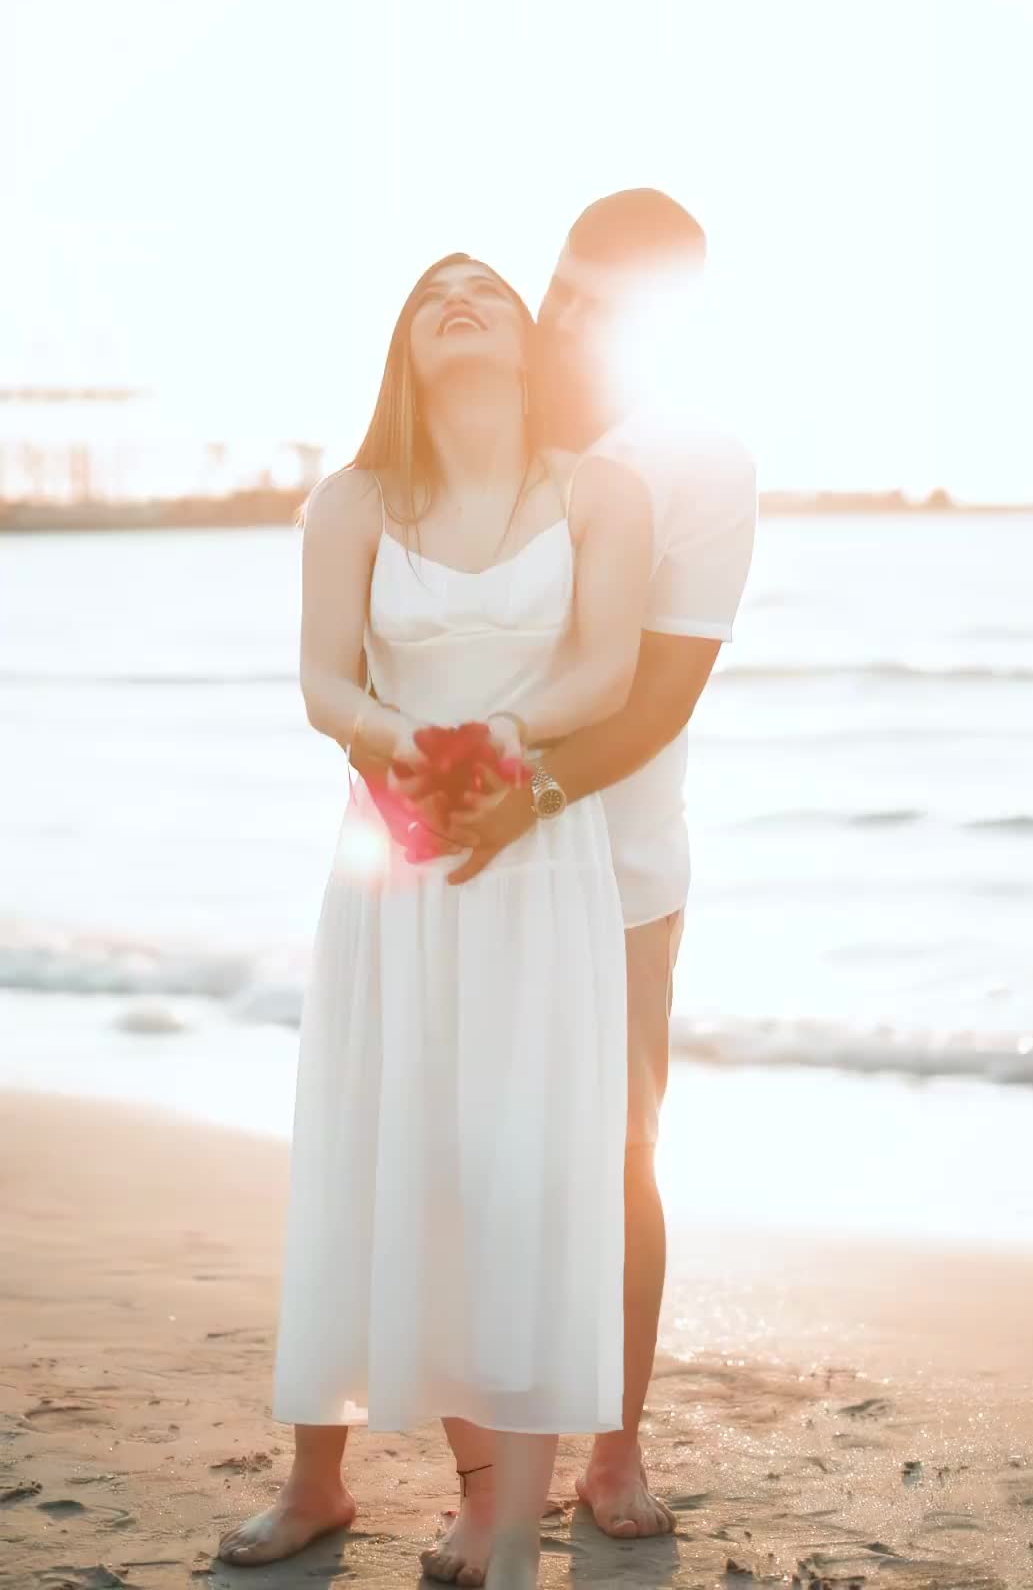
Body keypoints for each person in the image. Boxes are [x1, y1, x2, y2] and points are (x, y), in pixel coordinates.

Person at [216, 252, 652, 1588]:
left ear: (527, 344)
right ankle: (318, 1480)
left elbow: (607, 670)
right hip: (394, 846)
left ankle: (487, 1496)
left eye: (487, 291)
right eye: (431, 293)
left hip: (534, 848)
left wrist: (499, 745)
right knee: (373, 1142)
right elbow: (320, 680)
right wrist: (406, 742)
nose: (459, 300)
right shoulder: (353, 499)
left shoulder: (601, 489)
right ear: (404, 347)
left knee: (510, 1170)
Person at [411, 191, 757, 1583]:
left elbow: (663, 696)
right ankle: (488, 1481)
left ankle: (615, 1443)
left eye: (608, 307)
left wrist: (524, 802)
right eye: (562, 291)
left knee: (618, 1159)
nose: (570, 324)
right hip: (467, 856)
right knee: (475, 1168)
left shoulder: (697, 460)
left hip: (614, 867)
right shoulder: (488, 418)